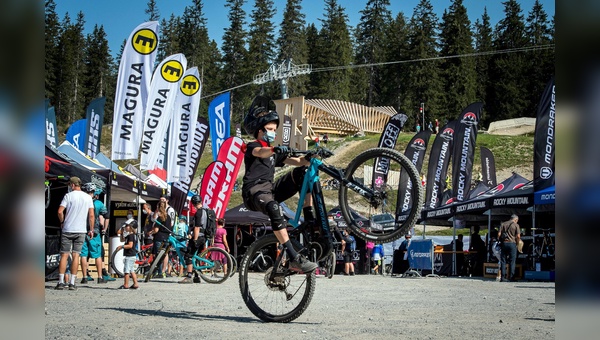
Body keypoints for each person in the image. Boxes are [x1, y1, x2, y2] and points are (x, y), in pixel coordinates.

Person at [241, 96, 317, 273]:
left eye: (274, 130)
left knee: (302, 173)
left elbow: (298, 161)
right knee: (274, 207)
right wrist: (275, 148)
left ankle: (309, 217)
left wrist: (313, 155)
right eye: (269, 129)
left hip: (270, 190)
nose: (273, 133)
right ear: (260, 131)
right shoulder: (253, 146)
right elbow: (261, 152)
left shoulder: (274, 153)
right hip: (253, 193)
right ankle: (293, 258)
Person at [55, 177, 94, 290]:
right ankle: (72, 282)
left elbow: (59, 211)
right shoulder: (87, 197)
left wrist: (62, 221)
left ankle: (61, 282)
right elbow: (91, 215)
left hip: (68, 228)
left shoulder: (68, 196)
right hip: (81, 230)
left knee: (64, 255)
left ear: (72, 185)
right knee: (76, 255)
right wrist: (91, 229)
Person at [79, 183, 109, 284]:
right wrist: (104, 227)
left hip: (82, 230)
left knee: (83, 254)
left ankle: (84, 277)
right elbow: (106, 215)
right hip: (95, 231)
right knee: (97, 255)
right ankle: (100, 277)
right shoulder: (98, 203)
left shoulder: (81, 201)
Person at [150, 199, 173, 278]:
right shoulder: (168, 217)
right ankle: (163, 271)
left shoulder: (160, 217)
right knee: (164, 254)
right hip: (167, 238)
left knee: (158, 255)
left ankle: (159, 272)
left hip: (159, 237)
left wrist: (151, 232)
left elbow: (156, 230)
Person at [498, 214, 521, 282]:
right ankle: (511, 277)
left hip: (504, 243)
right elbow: (518, 236)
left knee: (503, 260)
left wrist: (500, 240)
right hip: (512, 243)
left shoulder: (503, 224)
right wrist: (517, 243)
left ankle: (503, 277)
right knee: (512, 261)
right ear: (515, 219)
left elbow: (499, 234)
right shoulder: (516, 225)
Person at [119, 221, 139, 289]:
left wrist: (122, 247)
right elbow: (122, 240)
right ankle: (135, 283)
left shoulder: (131, 236)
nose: (125, 227)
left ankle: (126, 284)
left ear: (131, 227)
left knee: (126, 271)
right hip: (132, 255)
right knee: (131, 270)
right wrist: (121, 233)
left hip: (130, 255)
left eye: (127, 226)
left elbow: (130, 245)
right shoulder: (129, 235)